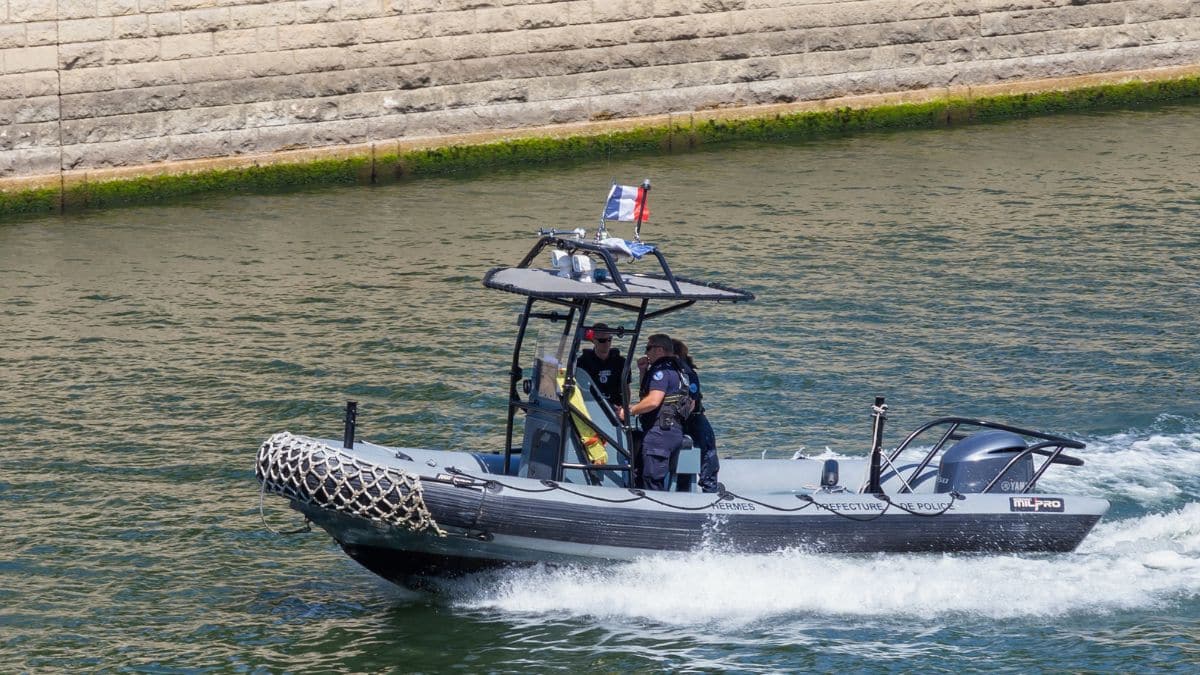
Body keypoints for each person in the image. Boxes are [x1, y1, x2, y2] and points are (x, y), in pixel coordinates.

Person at [618, 334, 692, 491]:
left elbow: (653, 401)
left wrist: (630, 411)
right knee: (657, 477)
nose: (646, 353)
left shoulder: (662, 371)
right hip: (673, 431)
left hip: (659, 434)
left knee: (652, 480)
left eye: (648, 349)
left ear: (659, 350)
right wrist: (643, 371)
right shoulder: (679, 371)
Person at [673, 339, 720, 493]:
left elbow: (691, 402)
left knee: (707, 448)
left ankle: (709, 485)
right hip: (690, 418)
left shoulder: (685, 373)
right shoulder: (684, 372)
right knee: (708, 450)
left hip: (691, 418)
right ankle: (709, 484)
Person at [576, 322, 629, 410]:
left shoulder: (621, 362)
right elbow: (580, 388)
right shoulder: (582, 362)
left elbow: (626, 388)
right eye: (602, 340)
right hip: (592, 407)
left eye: (609, 339)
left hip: (616, 409)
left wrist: (624, 409)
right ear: (593, 340)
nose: (607, 343)